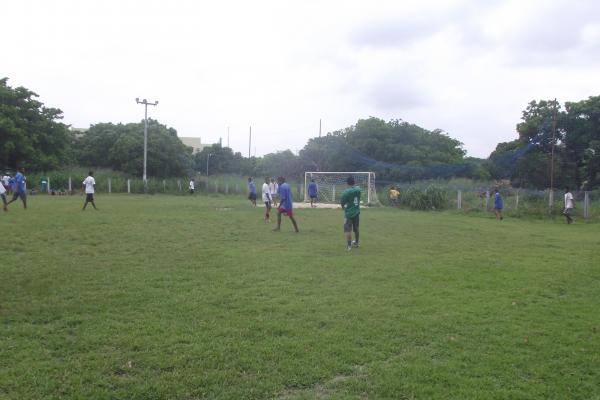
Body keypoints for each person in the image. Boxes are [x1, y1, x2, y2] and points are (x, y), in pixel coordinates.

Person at [341, 176, 361, 251]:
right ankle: (357, 243)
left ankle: (349, 246)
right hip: (356, 212)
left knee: (348, 230)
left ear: (347, 183)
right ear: (354, 182)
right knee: (356, 229)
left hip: (348, 213)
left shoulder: (346, 192)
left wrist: (343, 207)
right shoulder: (358, 189)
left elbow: (342, 202)